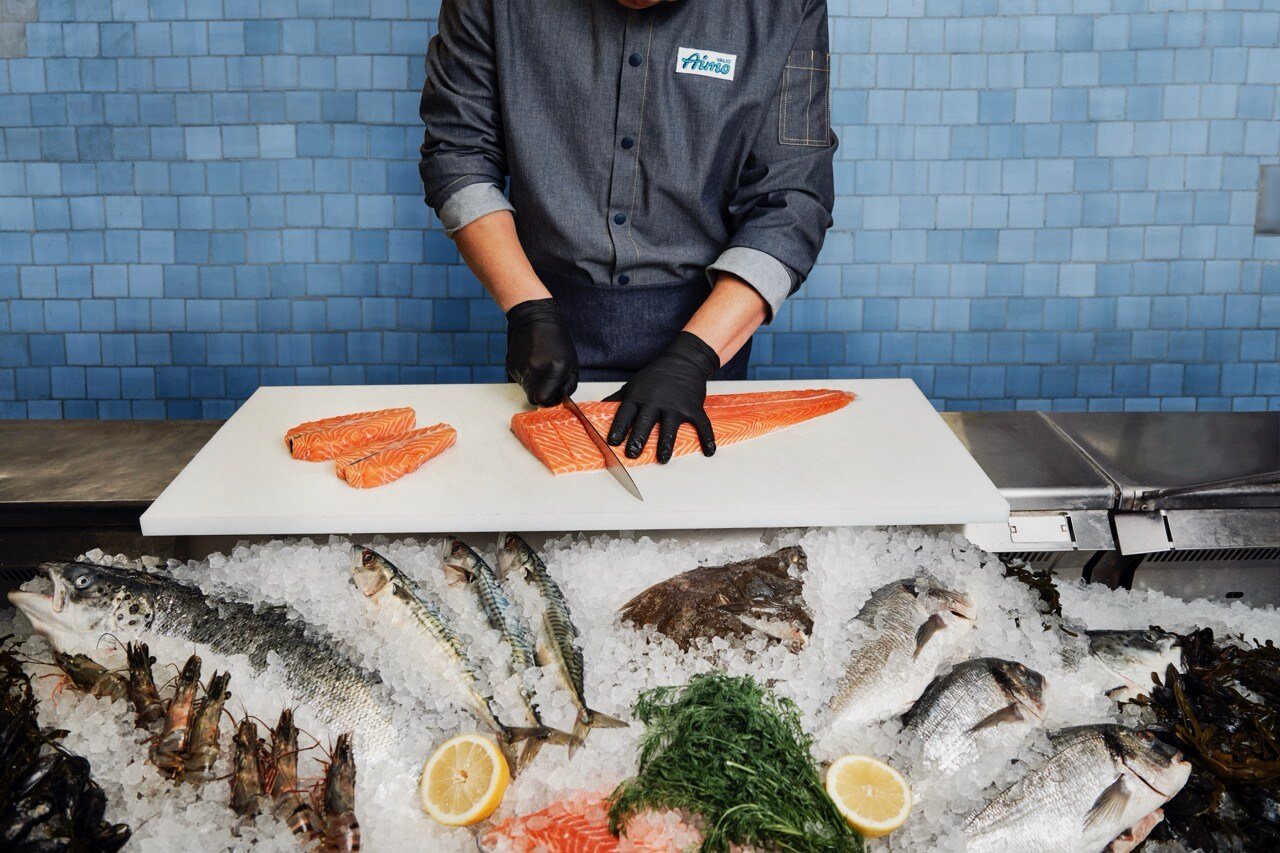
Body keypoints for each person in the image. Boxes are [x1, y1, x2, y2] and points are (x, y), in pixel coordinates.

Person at [419, 0, 836, 463]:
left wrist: (692, 358)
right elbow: (458, 153)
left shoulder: (785, 7)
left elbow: (793, 200)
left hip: (713, 331)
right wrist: (527, 307)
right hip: (547, 330)